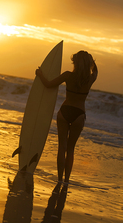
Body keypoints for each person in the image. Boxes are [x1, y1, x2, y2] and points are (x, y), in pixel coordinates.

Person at [36, 50, 98, 186]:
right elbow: (96, 71)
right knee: (71, 149)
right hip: (79, 114)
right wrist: (91, 62)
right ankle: (66, 181)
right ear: (88, 64)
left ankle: (59, 179)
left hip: (65, 112)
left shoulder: (68, 76)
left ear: (75, 63)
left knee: (61, 147)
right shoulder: (90, 79)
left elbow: (48, 84)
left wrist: (40, 75)